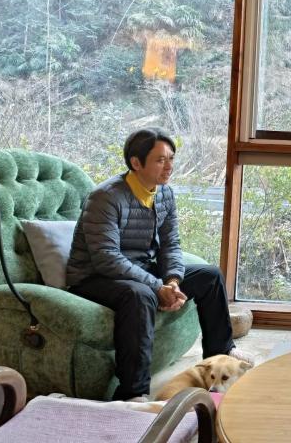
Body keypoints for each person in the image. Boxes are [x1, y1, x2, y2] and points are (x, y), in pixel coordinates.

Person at [66, 127, 250, 401]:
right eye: (160, 160)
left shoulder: (164, 193)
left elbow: (170, 244)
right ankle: (132, 393)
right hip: (95, 277)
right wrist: (156, 286)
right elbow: (106, 258)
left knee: (209, 276)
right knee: (140, 295)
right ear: (136, 163)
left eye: (171, 158)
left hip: (140, 269)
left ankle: (220, 356)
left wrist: (172, 281)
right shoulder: (105, 197)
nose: (169, 166)